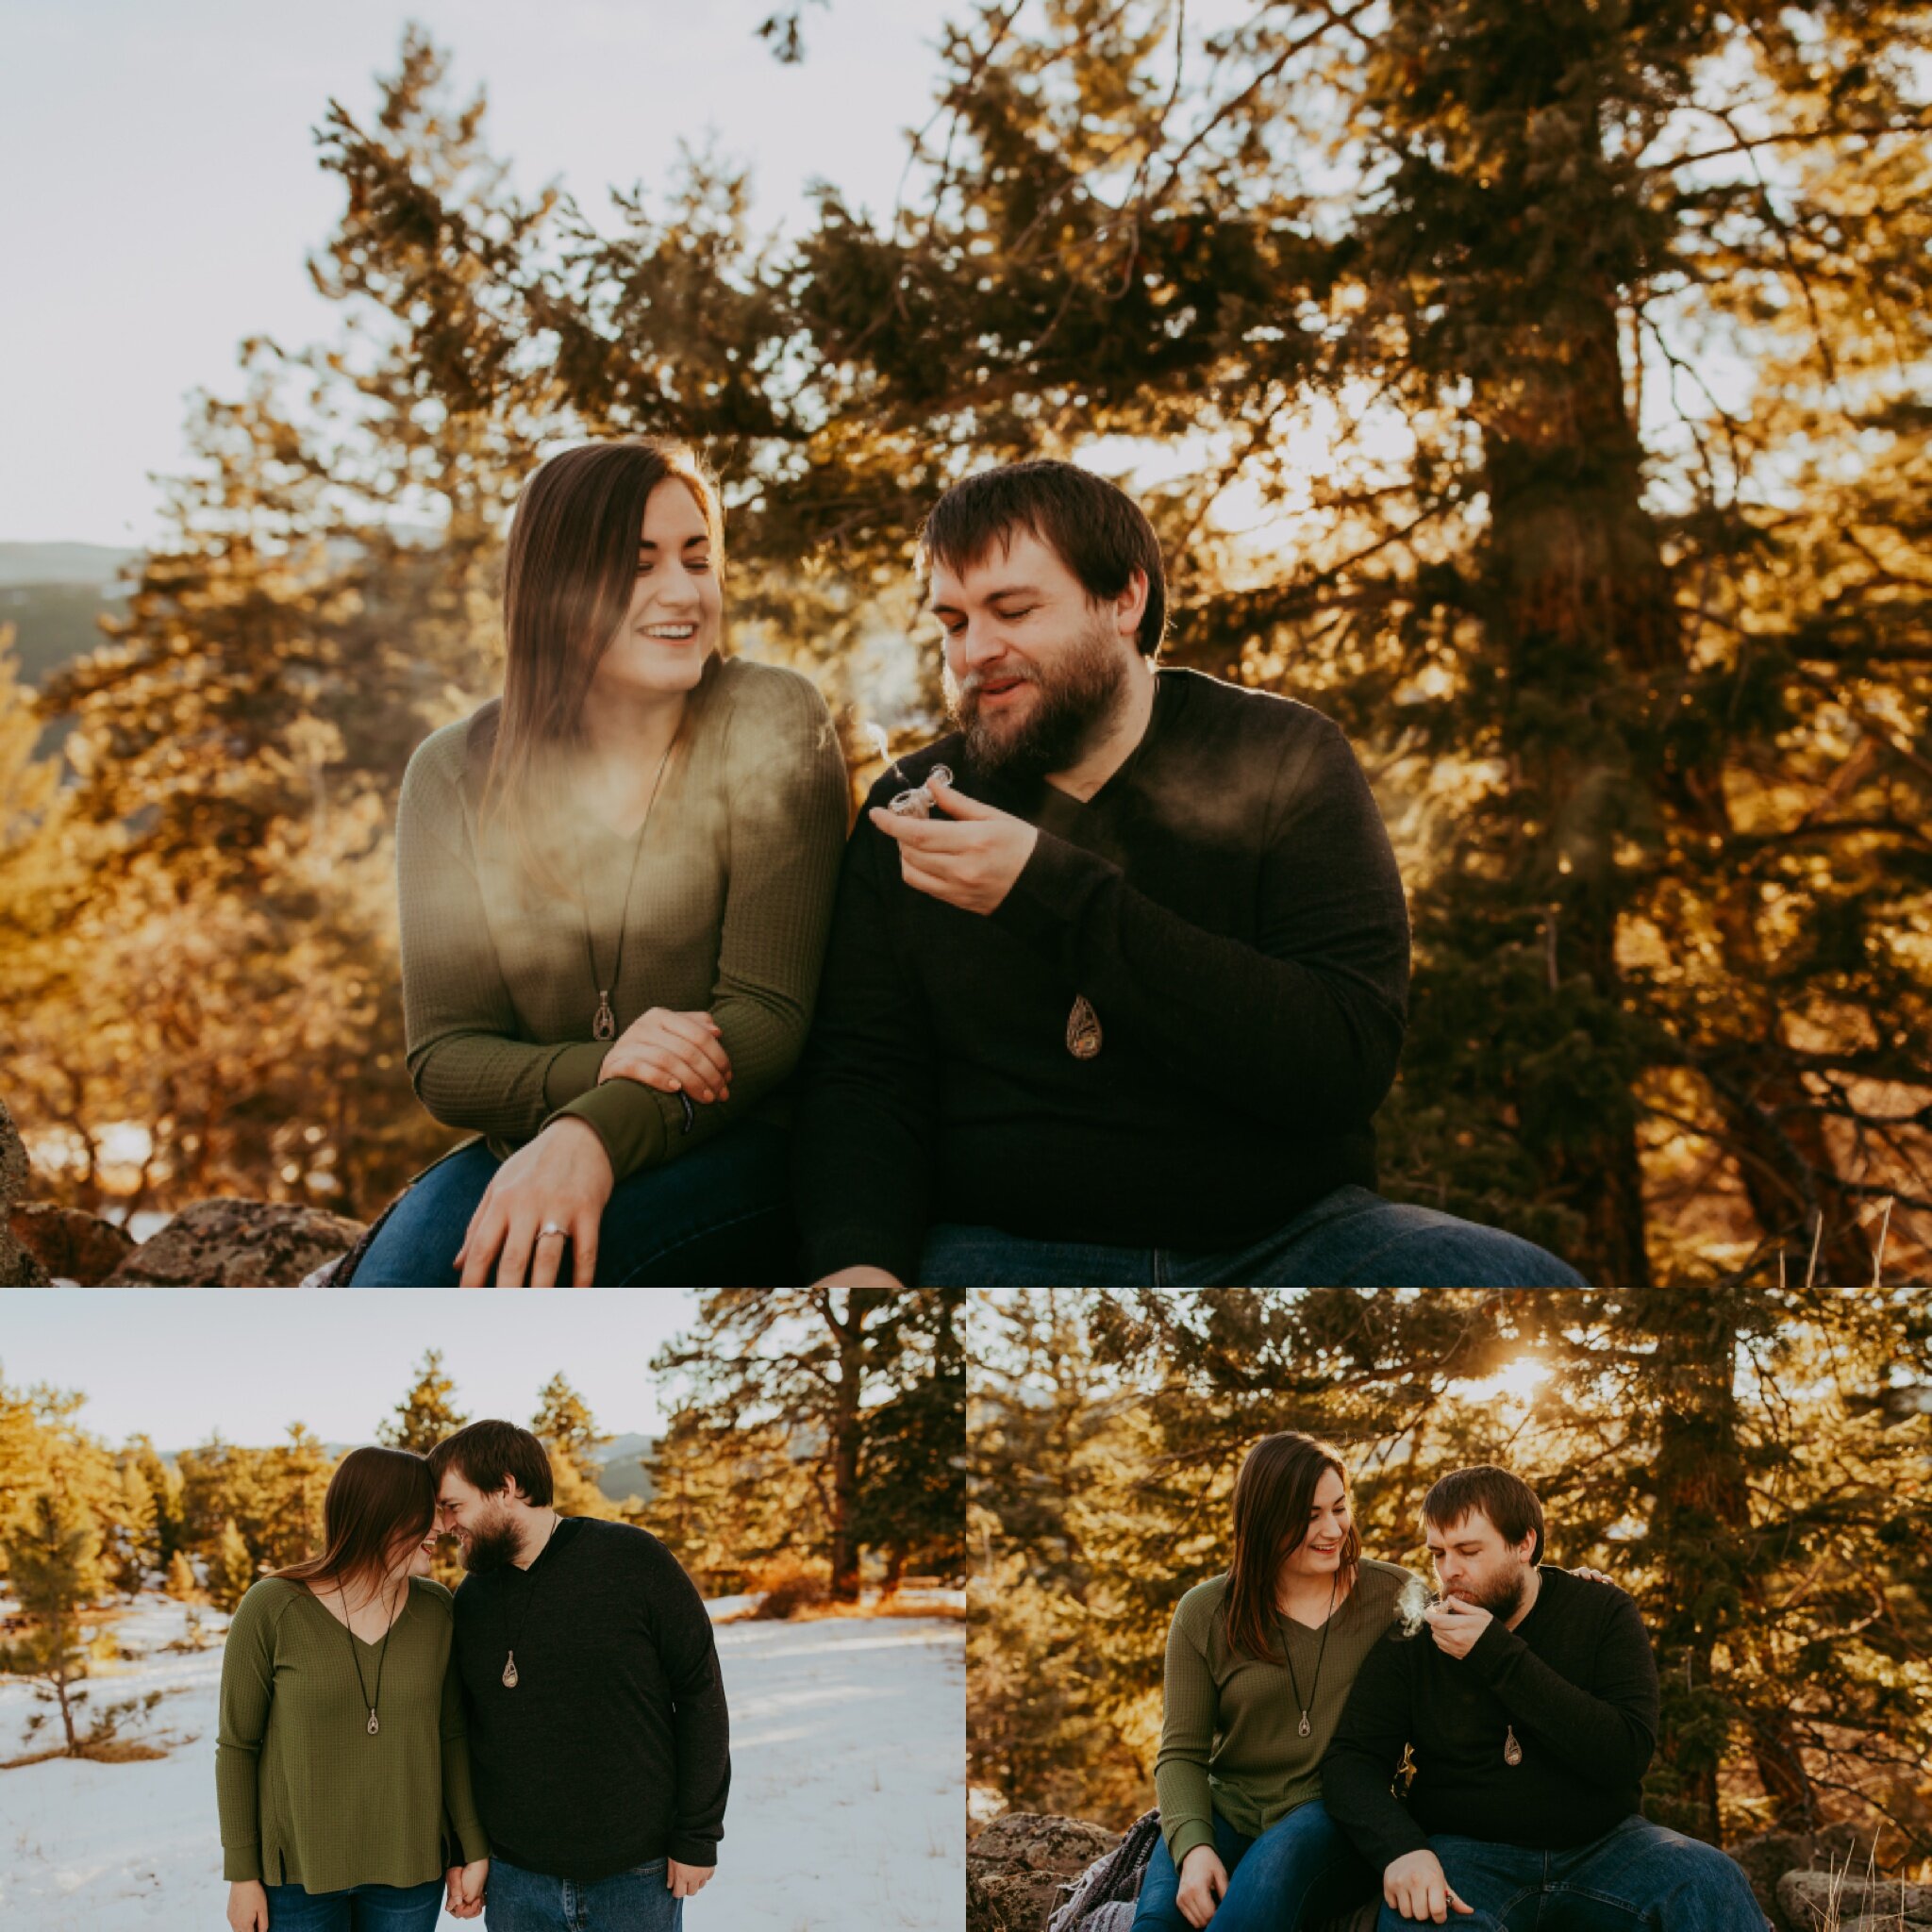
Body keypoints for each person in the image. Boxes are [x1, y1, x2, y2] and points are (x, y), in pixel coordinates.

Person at [791, 458, 1587, 1289]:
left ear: (1126, 600)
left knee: (1529, 1286)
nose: (975, 651)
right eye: (953, 622)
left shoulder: (1287, 757)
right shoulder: (913, 805)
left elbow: (1340, 1062)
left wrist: (1047, 890)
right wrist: (858, 1263)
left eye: (1014, 609)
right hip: (1005, 1243)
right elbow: (863, 1075)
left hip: (1288, 1237)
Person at [349, 436, 849, 1287]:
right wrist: (598, 1072)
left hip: (741, 1140)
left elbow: (765, 1020)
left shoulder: (770, 717)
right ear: (555, 588)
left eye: (698, 559)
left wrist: (592, 1134)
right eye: (638, 563)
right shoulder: (450, 773)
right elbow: (447, 1057)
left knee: (562, 1277)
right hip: (537, 1141)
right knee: (396, 1286)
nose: (683, 592)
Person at [1321, 1465, 1767, 1931]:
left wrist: (1497, 1656)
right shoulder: (1416, 1639)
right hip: (1468, 1854)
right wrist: (1402, 1849)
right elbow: (1351, 1760)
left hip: (1607, 1848)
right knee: (1422, 1922)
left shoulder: (1601, 1611)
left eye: (1469, 1551)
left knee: (1708, 1877)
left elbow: (1625, 1753)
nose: (1450, 1570)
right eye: (1438, 1553)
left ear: (1524, 1544)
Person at [428, 1420, 730, 1931]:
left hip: (637, 1874)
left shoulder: (634, 1560)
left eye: (454, 1507)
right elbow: (463, 1735)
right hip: (516, 1880)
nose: (445, 1526)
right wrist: (467, 1850)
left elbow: (700, 1695)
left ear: (506, 1488)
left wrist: (697, 1835)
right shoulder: (471, 1599)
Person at [1134, 1433, 1407, 1932]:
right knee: (1157, 1921)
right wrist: (1194, 1848)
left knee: (1261, 1893)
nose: (1332, 1529)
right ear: (1263, 1520)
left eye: (1339, 1508)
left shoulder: (1392, 1594)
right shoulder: (1204, 1612)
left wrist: (1570, 1588)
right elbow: (1181, 1754)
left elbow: (1480, 1615)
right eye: (1309, 1516)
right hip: (1228, 1812)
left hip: (1332, 1817)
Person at [216, 1445, 489, 1932]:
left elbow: (450, 1734)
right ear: (379, 1514)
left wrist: (469, 1848)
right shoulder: (272, 1607)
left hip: (410, 1871)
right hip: (296, 1879)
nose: (441, 1529)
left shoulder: (436, 1609)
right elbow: (237, 1746)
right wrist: (243, 1875)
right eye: (426, 1514)